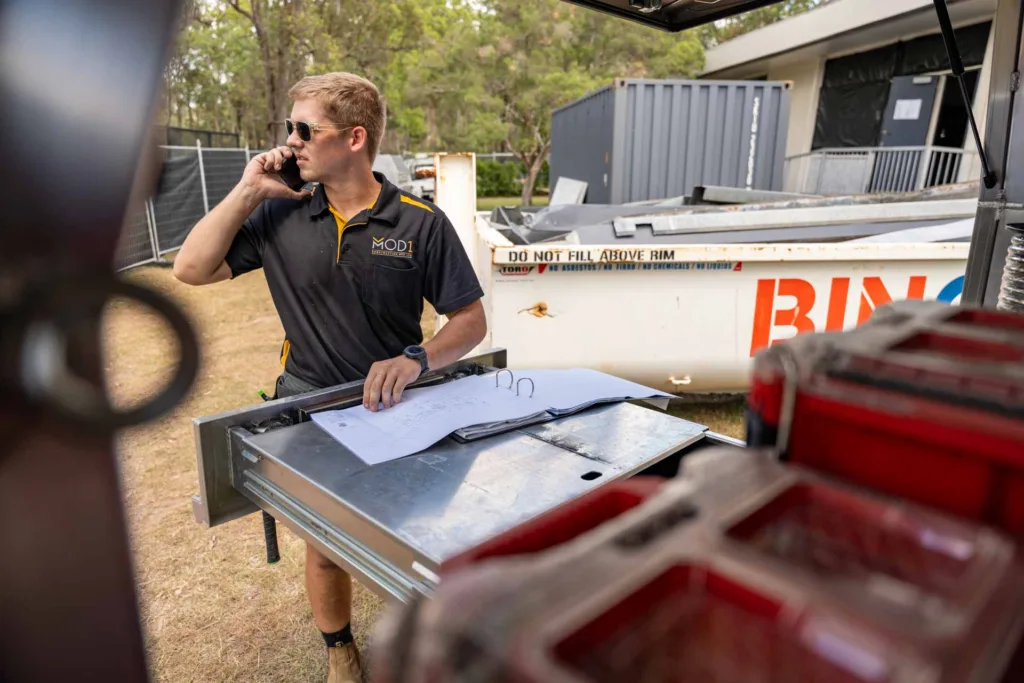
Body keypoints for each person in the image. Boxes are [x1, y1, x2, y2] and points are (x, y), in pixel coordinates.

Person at [173, 72, 487, 683]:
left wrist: (416, 359)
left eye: (304, 129)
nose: (291, 141)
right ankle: (339, 650)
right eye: (290, 128)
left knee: (419, 533)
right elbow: (190, 269)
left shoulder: (421, 222)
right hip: (309, 407)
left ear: (354, 138)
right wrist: (248, 190)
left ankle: (423, 638)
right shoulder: (279, 213)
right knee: (325, 543)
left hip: (401, 410)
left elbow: (470, 321)